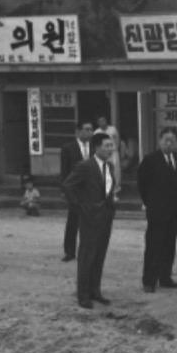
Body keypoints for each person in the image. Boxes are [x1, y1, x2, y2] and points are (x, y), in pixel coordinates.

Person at [62, 131, 117, 309]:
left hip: (106, 217)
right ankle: (83, 295)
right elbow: (68, 185)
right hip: (89, 218)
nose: (110, 149)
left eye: (111, 146)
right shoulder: (85, 166)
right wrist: (80, 207)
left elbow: (107, 189)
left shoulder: (109, 167)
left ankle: (95, 291)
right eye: (107, 146)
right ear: (96, 147)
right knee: (87, 256)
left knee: (100, 255)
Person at [137, 127, 177, 293]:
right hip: (157, 210)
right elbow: (142, 184)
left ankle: (165, 277)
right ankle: (149, 280)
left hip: (174, 211)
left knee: (169, 245)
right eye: (166, 140)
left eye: (173, 140)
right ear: (160, 140)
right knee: (153, 246)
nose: (169, 143)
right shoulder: (150, 160)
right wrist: (150, 203)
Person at [60, 120, 94, 261]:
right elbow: (65, 171)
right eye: (86, 129)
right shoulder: (68, 148)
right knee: (73, 221)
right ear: (78, 131)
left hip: (91, 190)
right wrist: (64, 190)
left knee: (91, 221)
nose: (89, 132)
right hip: (75, 190)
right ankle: (69, 251)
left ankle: (88, 250)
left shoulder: (95, 147)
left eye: (91, 129)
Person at [95, 115, 122, 197]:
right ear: (98, 123)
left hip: (113, 152)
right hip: (103, 154)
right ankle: (105, 192)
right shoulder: (97, 132)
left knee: (115, 172)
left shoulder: (113, 129)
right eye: (100, 121)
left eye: (104, 121)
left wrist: (115, 149)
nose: (102, 123)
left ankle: (115, 192)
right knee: (104, 172)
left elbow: (117, 139)